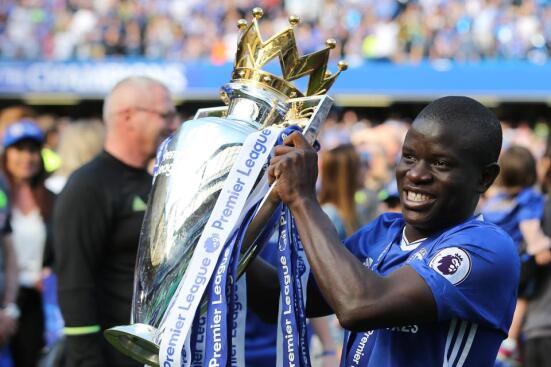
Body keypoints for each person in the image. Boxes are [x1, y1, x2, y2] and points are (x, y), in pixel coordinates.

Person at [248, 96, 519, 366]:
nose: (416, 174)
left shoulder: (485, 248)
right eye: (409, 157)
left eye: (441, 164)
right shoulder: (381, 232)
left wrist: (302, 199)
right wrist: (222, 243)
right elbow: (280, 300)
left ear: (485, 178)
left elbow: (359, 306)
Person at [54, 76, 176, 366]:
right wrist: (87, 359)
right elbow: (74, 284)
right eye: (165, 115)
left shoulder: (157, 183)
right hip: (110, 357)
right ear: (128, 116)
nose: (173, 125)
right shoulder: (88, 185)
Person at [480, 145, 551, 363]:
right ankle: (508, 343)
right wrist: (541, 247)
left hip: (492, 263)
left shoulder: (494, 200)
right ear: (531, 173)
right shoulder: (530, 199)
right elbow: (530, 230)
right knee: (522, 296)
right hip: (518, 264)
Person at [1, 120, 55, 367]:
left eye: (32, 150)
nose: (27, 157)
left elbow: (59, 248)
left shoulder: (52, 199)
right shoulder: (3, 198)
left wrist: (50, 270)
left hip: (36, 298)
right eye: (19, 149)